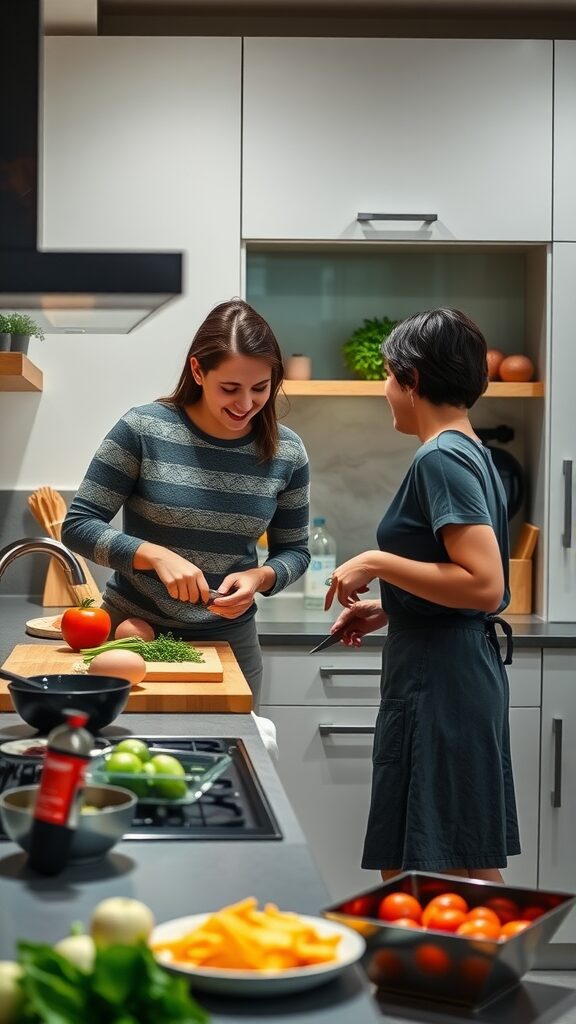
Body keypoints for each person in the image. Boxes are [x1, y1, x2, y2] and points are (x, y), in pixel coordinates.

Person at [324, 307, 520, 883]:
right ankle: (472, 973)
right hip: (447, 671)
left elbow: (484, 586)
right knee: (439, 860)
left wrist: (376, 561)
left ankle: (482, 972)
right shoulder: (467, 449)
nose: (385, 391)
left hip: (443, 683)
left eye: (387, 376)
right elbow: (456, 574)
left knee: (436, 868)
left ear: (411, 379)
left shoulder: (441, 457)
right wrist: (392, 606)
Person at [62, 299, 310, 710]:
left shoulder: (287, 451)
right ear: (198, 371)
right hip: (132, 631)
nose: (246, 404)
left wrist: (260, 579)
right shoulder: (143, 429)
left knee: (228, 759)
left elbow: (295, 551)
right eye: (229, 388)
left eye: (260, 388)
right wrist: (153, 555)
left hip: (229, 642)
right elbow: (78, 525)